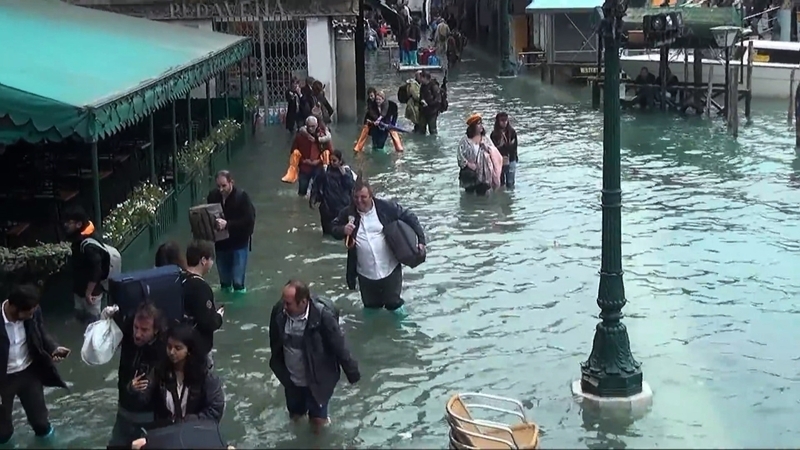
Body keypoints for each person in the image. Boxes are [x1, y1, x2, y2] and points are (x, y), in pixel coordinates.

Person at [269, 280, 360, 432]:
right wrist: (279, 370)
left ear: (303, 302)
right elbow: (275, 343)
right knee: (296, 417)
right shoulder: (279, 312)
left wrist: (352, 372)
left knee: (318, 423)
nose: (284, 307)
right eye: (283, 302)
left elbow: (339, 345)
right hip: (292, 381)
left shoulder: (323, 316)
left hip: (318, 380)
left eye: (288, 303)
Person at [330, 178, 426, 314]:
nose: (359, 201)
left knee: (394, 305)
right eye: (356, 197)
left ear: (371, 195)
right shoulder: (348, 213)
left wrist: (421, 241)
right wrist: (343, 230)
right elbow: (333, 228)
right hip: (365, 274)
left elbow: (410, 216)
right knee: (371, 309)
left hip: (390, 269)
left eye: (363, 197)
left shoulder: (386, 207)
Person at [0, 284, 69, 445]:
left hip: (29, 373)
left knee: (41, 423)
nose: (32, 316)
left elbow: (40, 332)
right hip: (3, 380)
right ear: (14, 308)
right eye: (28, 313)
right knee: (3, 432)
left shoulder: (33, 312)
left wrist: (53, 348)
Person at [103, 302, 167, 449]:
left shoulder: (161, 351)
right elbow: (118, 320)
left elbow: (146, 393)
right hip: (124, 412)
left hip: (147, 419)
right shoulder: (129, 335)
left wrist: (132, 388)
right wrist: (108, 317)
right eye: (136, 328)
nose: (138, 334)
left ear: (155, 330)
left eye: (144, 330)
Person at [151, 324, 225, 428]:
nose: (172, 352)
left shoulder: (205, 376)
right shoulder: (160, 372)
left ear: (189, 350)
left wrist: (190, 421)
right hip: (167, 431)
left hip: (196, 431)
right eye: (169, 347)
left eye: (178, 348)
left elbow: (215, 409)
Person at [206, 170, 256, 294]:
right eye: (218, 186)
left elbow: (249, 221)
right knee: (224, 282)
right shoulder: (213, 196)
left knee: (238, 283)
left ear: (231, 183)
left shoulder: (242, 197)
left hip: (239, 244)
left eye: (224, 186)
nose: (221, 189)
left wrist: (228, 224)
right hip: (221, 244)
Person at [63, 205, 109, 324]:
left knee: (93, 324)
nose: (66, 225)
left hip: (91, 293)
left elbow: (97, 270)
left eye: (69, 222)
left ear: (78, 224)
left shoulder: (88, 246)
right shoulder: (78, 239)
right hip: (79, 289)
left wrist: (89, 292)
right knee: (79, 315)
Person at [181, 240, 224, 363]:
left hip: (182, 342)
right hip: (198, 348)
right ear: (203, 260)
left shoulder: (180, 279)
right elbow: (207, 322)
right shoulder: (201, 287)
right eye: (211, 259)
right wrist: (218, 317)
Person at [282, 116, 332, 196]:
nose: (311, 129)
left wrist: (319, 161)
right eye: (309, 126)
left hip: (318, 166)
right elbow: (293, 151)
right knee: (302, 190)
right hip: (304, 167)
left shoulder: (323, 136)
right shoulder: (300, 137)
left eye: (313, 126)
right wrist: (303, 161)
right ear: (306, 126)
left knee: (319, 190)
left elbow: (330, 152)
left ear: (317, 126)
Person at [310, 150, 356, 236]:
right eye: (330, 160)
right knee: (327, 233)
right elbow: (316, 184)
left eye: (334, 161)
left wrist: (344, 175)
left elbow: (351, 186)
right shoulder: (325, 171)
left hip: (342, 207)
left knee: (340, 232)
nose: (332, 162)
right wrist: (313, 198)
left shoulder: (346, 172)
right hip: (327, 208)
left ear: (340, 161)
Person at [457, 114, 503, 196]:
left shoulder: (486, 139)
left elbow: (494, 153)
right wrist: (468, 164)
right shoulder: (465, 140)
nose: (481, 125)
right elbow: (459, 156)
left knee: (482, 196)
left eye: (481, 123)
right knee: (469, 195)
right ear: (473, 126)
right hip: (470, 174)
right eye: (478, 123)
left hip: (484, 174)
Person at [489, 112, 519, 189]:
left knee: (510, 182)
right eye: (502, 120)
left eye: (506, 120)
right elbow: (493, 150)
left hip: (511, 158)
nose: (504, 122)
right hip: (499, 161)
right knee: (500, 182)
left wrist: (505, 146)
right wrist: (503, 146)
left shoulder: (512, 132)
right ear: (498, 122)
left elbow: (514, 147)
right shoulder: (494, 134)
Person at [417, 71, 442, 135]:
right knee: (421, 129)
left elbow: (438, 100)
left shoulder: (434, 86)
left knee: (432, 130)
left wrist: (428, 104)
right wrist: (421, 101)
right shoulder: (422, 86)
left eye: (421, 77)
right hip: (423, 111)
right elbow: (421, 96)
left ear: (425, 78)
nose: (420, 79)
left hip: (432, 112)